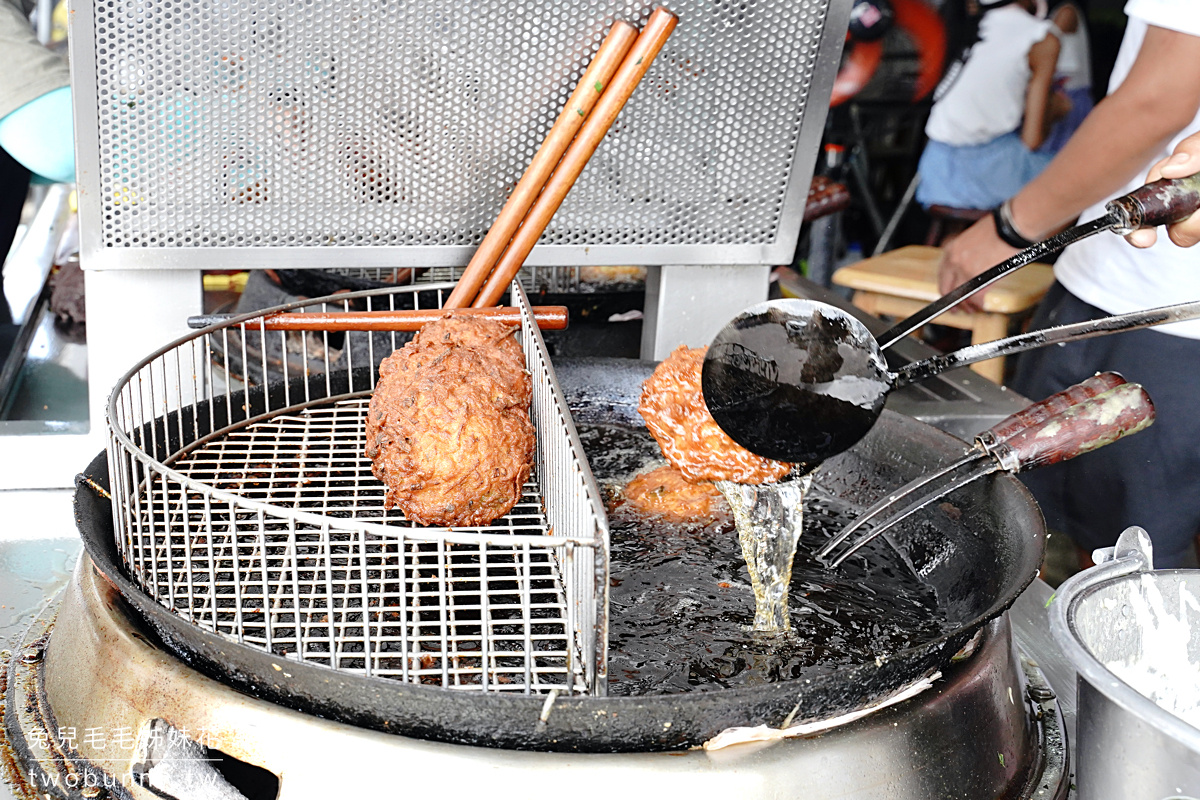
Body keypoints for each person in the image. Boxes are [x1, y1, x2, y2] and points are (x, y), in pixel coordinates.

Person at [938, 0, 1200, 568]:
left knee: (1132, 573)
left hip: (1168, 315)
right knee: (1033, 530)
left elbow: (1158, 98)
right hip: (1102, 283)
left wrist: (1012, 227)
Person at [914, 0, 1065, 212]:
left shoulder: (958, 24)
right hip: (993, 176)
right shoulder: (1041, 37)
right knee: (1075, 179)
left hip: (936, 174)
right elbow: (1032, 140)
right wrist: (1054, 110)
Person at [1038, 1, 1094, 155]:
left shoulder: (1066, 11)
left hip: (1070, 98)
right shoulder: (1050, 14)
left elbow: (1042, 43)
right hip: (1058, 97)